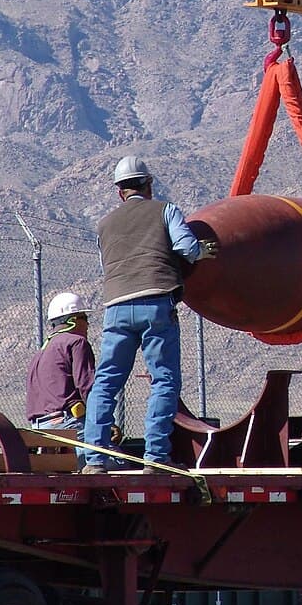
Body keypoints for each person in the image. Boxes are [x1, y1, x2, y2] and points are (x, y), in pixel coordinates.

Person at [81, 156, 217, 473]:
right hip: (156, 304)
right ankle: (155, 458)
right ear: (149, 185)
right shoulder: (165, 211)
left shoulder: (104, 225)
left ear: (119, 192)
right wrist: (203, 252)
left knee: (105, 383)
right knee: (164, 381)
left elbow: (107, 266)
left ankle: (94, 459)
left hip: (116, 308)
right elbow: (186, 248)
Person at [26, 291, 96, 464]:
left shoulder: (41, 351)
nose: (87, 325)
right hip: (69, 425)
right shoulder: (77, 342)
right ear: (73, 320)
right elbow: (87, 386)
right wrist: (105, 422)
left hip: (40, 429)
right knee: (116, 463)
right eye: (85, 318)